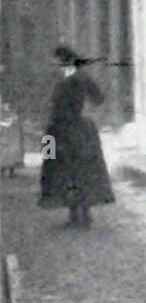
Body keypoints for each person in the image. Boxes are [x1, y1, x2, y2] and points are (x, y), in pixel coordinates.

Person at [39, 46, 114, 228]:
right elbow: (99, 98)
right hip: (80, 130)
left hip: (63, 130)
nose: (54, 64)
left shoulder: (67, 79)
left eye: (56, 60)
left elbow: (57, 107)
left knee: (66, 170)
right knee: (80, 171)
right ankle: (82, 214)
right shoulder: (81, 77)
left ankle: (76, 215)